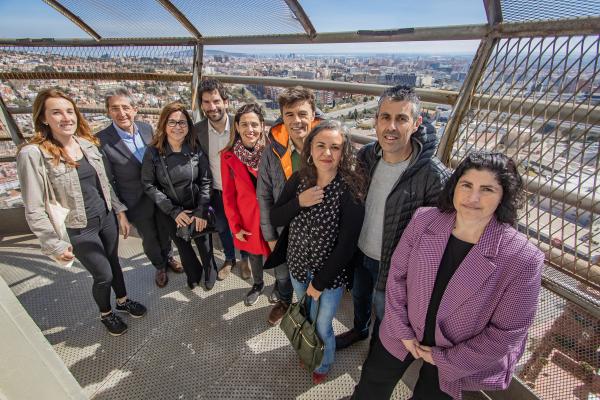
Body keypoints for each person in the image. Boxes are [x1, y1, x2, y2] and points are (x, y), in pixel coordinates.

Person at [352, 151, 544, 400]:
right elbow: (397, 276)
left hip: (456, 354)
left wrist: (443, 358)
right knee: (371, 385)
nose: (473, 197)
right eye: (466, 185)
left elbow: (508, 332)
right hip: (403, 330)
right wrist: (402, 329)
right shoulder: (424, 220)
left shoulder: (522, 258)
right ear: (454, 186)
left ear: (504, 197)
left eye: (487, 189)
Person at [17, 88, 146, 336]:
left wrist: (119, 212)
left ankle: (122, 301)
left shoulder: (86, 144)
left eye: (69, 111)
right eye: (56, 112)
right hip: (78, 226)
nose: (66, 118)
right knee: (103, 274)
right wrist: (53, 244)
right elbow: (33, 206)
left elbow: (104, 183)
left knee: (115, 264)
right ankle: (106, 314)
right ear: (43, 118)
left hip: (105, 217)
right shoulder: (34, 154)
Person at [336, 85, 449, 350]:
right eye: (385, 117)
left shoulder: (433, 175)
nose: (391, 127)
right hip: (362, 253)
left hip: (395, 268)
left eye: (402, 119)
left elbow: (440, 234)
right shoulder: (367, 156)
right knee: (361, 299)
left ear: (416, 123)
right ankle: (360, 330)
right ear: (376, 121)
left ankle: (378, 353)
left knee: (386, 315)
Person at [265, 120, 365, 384]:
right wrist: (299, 202)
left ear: (344, 153)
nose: (327, 153)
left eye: (335, 147)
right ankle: (309, 348)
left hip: (328, 277)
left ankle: (324, 361)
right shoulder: (299, 180)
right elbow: (275, 215)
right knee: (307, 317)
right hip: (298, 266)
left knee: (323, 324)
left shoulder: (349, 191)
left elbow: (346, 246)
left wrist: (319, 284)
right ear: (310, 149)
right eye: (320, 145)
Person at [97, 87, 182, 288]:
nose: (121, 113)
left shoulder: (146, 128)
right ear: (108, 112)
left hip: (158, 195)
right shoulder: (102, 140)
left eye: (126, 107)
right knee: (149, 237)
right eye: (115, 108)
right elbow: (107, 180)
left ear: (135, 109)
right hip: (134, 199)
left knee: (164, 230)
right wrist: (120, 212)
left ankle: (169, 257)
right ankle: (159, 266)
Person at [257, 86, 324, 325]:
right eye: (290, 115)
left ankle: (311, 314)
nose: (297, 121)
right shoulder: (272, 151)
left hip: (318, 230)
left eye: (303, 114)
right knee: (283, 273)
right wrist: (270, 235)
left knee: (315, 279)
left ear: (313, 114)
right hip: (283, 228)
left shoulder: (326, 147)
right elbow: (263, 196)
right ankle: (284, 301)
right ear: (282, 117)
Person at [141, 102, 218, 290]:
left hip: (196, 204)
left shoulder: (195, 149)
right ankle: (193, 274)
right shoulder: (153, 152)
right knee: (183, 246)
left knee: (204, 242)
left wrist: (200, 210)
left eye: (182, 122)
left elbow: (206, 180)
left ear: (188, 126)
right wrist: (174, 212)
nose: (177, 127)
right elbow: (148, 184)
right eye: (172, 122)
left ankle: (210, 270)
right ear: (164, 125)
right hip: (170, 209)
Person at [193, 78, 251, 281]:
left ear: (226, 102)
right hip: (216, 189)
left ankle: (245, 258)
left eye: (216, 101)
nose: (212, 107)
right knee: (223, 227)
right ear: (201, 105)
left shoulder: (241, 125)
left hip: (241, 190)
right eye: (206, 102)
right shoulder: (198, 130)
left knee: (243, 225)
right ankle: (229, 258)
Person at [221, 103, 271, 306]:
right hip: (247, 217)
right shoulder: (228, 156)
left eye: (254, 124)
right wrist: (235, 227)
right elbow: (228, 196)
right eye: (244, 125)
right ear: (237, 127)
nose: (250, 130)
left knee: (276, 252)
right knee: (254, 255)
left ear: (262, 126)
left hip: (271, 215)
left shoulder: (271, 152)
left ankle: (280, 286)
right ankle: (258, 284)